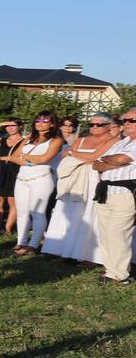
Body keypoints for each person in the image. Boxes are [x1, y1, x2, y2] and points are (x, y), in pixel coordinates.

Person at [42, 113, 120, 264]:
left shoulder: (114, 141)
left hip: (94, 180)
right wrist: (76, 155)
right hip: (74, 179)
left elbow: (96, 157)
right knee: (69, 213)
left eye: (99, 124)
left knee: (90, 215)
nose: (94, 127)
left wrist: (74, 153)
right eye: (91, 124)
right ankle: (61, 249)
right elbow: (66, 155)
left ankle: (86, 255)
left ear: (109, 126)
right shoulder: (80, 139)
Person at [6, 111, 63, 255]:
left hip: (41, 178)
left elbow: (45, 159)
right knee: (22, 211)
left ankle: (33, 244)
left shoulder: (56, 140)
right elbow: (13, 157)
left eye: (45, 121)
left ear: (52, 124)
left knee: (37, 212)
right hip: (22, 178)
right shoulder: (29, 138)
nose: (40, 123)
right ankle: (21, 242)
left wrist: (24, 157)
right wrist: (31, 159)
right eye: (37, 120)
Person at [91, 109, 136, 284]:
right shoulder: (120, 142)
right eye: (124, 120)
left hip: (125, 192)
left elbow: (120, 159)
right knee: (105, 233)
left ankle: (121, 274)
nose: (126, 123)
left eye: (131, 120)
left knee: (118, 233)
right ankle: (111, 270)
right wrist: (114, 161)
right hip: (105, 191)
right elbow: (96, 164)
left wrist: (110, 161)